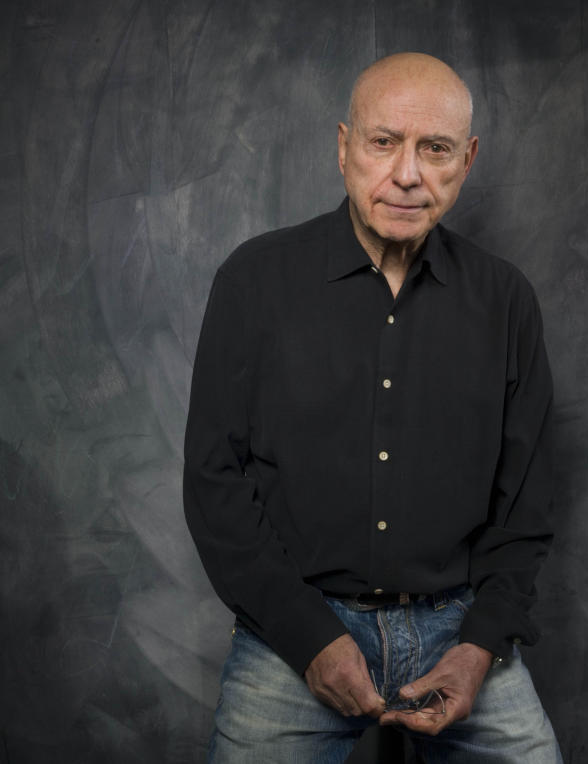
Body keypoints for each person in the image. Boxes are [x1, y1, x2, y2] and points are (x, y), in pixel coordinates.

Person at [183, 52, 562, 763]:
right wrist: (310, 638)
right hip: (293, 630)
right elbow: (214, 483)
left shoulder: (506, 301)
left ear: (468, 159)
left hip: (461, 627)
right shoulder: (254, 283)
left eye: (436, 148)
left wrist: (480, 646)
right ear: (343, 147)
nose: (408, 173)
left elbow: (526, 508)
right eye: (383, 142)